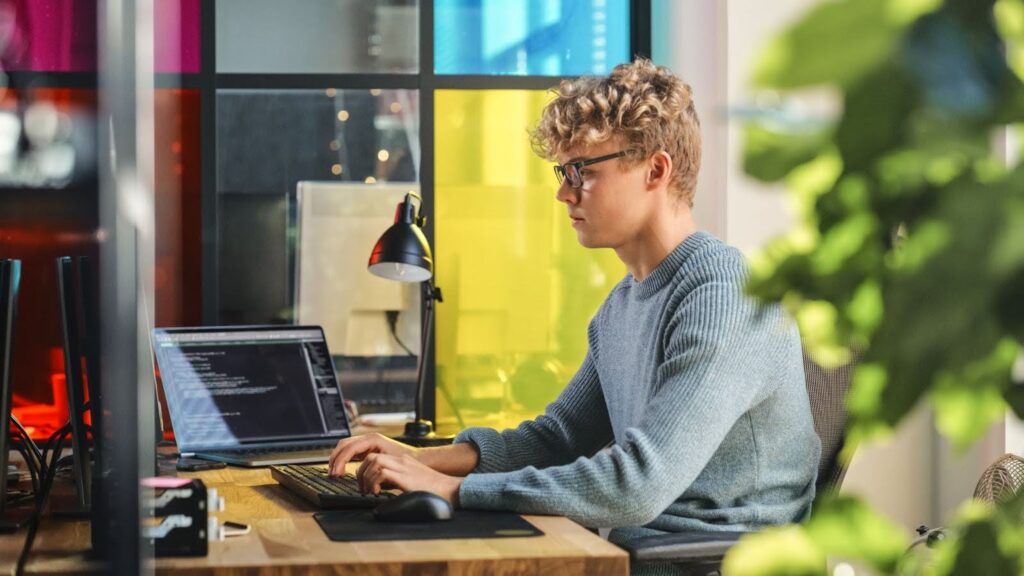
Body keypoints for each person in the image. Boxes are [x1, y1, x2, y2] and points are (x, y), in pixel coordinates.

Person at [328, 58, 820, 573]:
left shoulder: (724, 295)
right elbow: (556, 440)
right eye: (563, 172)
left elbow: (638, 484)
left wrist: (453, 489)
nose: (564, 191)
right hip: (631, 556)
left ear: (656, 170)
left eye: (582, 172)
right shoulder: (622, 306)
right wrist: (417, 460)